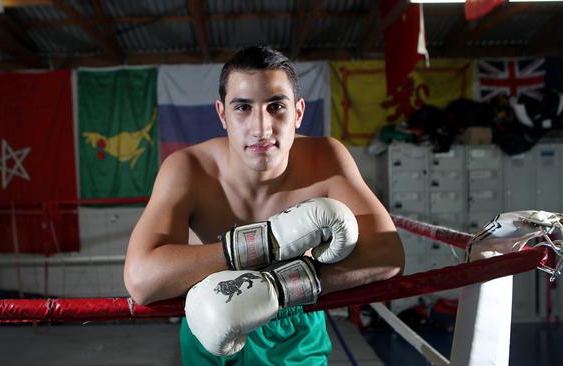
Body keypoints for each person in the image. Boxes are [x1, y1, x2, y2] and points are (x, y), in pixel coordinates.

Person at [124, 46, 404, 365]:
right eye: (243, 107)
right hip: (212, 320)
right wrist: (272, 240)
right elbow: (141, 279)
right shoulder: (188, 168)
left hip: (295, 327)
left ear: (298, 112)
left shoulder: (325, 157)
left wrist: (275, 287)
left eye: (276, 106)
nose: (261, 128)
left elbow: (388, 254)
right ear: (222, 114)